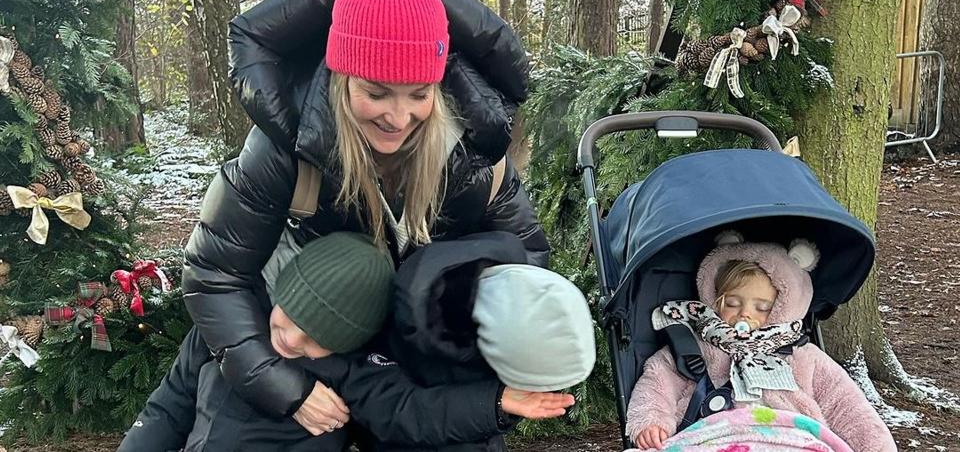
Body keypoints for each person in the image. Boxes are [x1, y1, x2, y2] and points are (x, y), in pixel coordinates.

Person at [119, 0, 549, 450]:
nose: (398, 116)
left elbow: (527, 259)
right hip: (294, 335)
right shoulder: (286, 141)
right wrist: (283, 385)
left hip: (413, 344)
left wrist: (476, 349)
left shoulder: (475, 150)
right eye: (377, 92)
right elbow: (216, 272)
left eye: (418, 93)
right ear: (343, 78)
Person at [181, 232, 577, 451]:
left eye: (320, 338)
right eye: (292, 313)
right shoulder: (232, 332)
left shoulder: (355, 369)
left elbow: (411, 411)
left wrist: (494, 401)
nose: (294, 339)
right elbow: (169, 404)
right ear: (281, 291)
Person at [626, 231, 896, 451]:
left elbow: (845, 404)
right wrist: (651, 422)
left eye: (762, 307)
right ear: (713, 298)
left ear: (784, 306)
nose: (745, 313)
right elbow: (656, 383)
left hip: (791, 437)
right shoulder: (693, 347)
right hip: (711, 436)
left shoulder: (802, 355)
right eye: (732, 303)